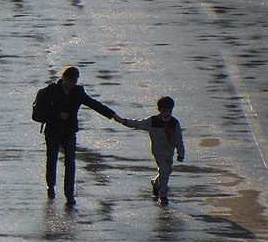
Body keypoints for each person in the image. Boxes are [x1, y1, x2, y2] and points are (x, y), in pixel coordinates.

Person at [41, 66, 121, 207]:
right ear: (63, 77)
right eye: (69, 80)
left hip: (69, 132)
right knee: (52, 159)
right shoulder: (52, 90)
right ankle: (51, 187)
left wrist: (112, 115)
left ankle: (69, 195)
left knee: (70, 163)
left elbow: (94, 104)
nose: (72, 83)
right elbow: (44, 109)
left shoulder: (78, 92)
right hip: (53, 131)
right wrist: (58, 114)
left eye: (74, 81)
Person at [117, 96, 184, 205]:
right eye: (165, 111)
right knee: (164, 170)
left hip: (169, 151)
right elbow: (137, 124)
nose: (167, 113)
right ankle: (163, 196)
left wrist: (180, 153)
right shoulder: (153, 121)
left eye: (169, 111)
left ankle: (156, 183)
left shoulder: (174, 123)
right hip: (158, 151)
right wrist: (123, 121)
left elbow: (178, 139)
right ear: (159, 110)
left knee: (167, 171)